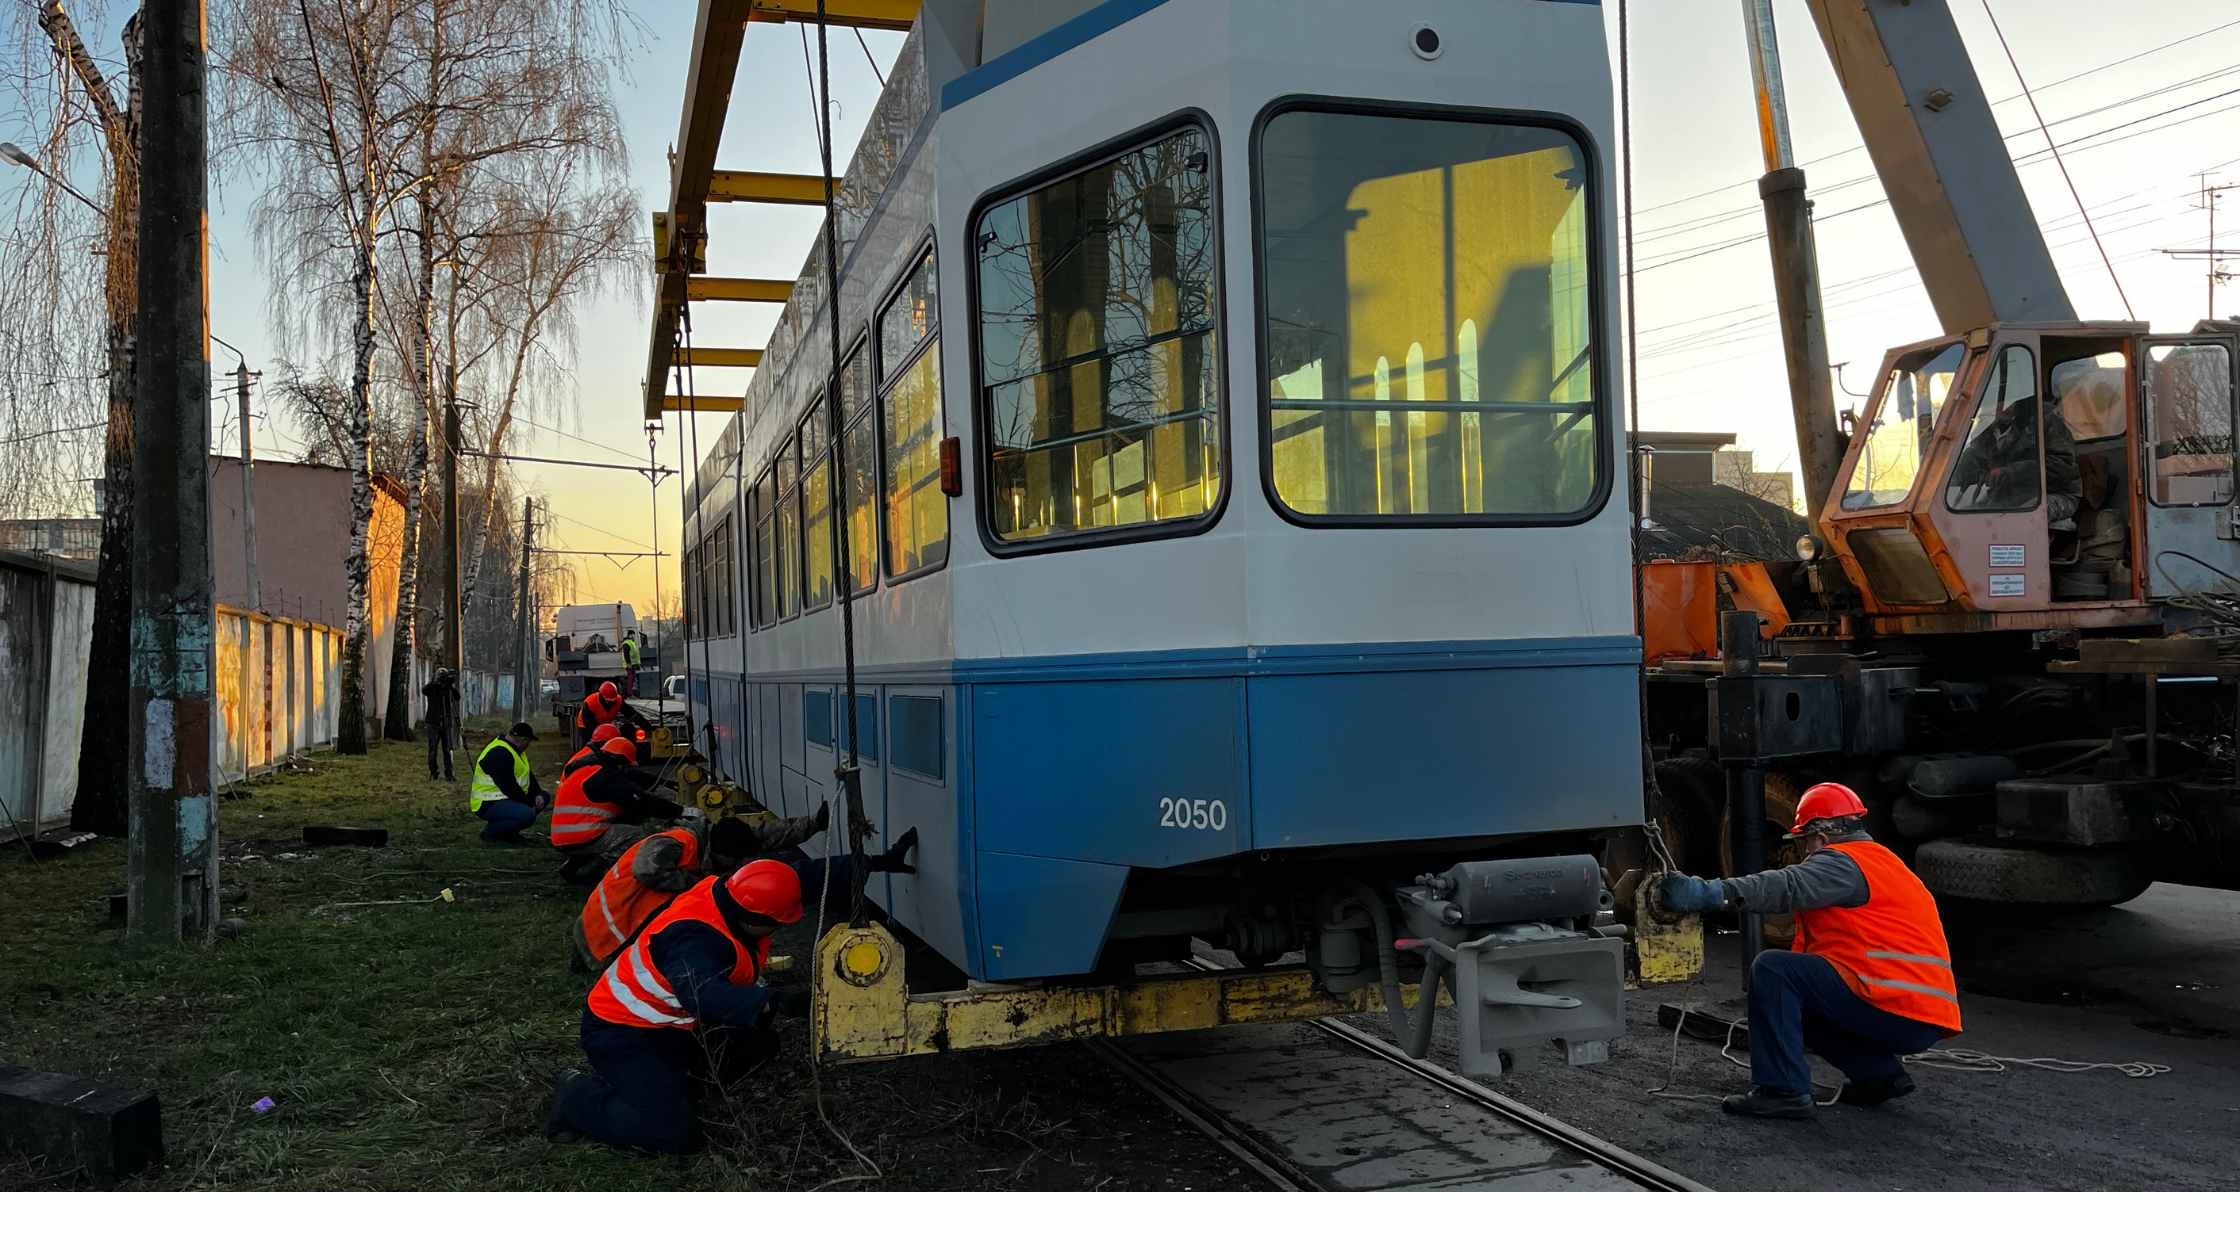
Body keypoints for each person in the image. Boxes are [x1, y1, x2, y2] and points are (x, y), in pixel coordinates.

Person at [546, 842, 919, 1153]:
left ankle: (665, 1086)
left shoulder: (742, 891)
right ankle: (576, 1095)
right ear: (753, 917)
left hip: (670, 1027)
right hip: (622, 1032)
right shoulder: (694, 939)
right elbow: (704, 996)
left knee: (758, 1045)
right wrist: (776, 1001)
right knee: (674, 1134)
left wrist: (877, 861)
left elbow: (804, 877)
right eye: (778, 922)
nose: (782, 925)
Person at [1657, 782, 1961, 1120]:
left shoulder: (1843, 863)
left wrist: (1709, 893)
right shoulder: (1885, 864)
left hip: (1892, 1004)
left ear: (1820, 837)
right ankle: (1879, 1076)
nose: (1803, 853)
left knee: (1772, 968)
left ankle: (1782, 1090)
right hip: (1919, 1014)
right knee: (1803, 1003)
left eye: (1803, 843)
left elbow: (1784, 885)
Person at [570, 802, 832, 971]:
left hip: (611, 923)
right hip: (607, 935)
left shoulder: (721, 840)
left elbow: (764, 836)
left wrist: (813, 823)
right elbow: (645, 869)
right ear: (717, 852)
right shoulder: (678, 843)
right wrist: (698, 884)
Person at [549, 736, 682, 884]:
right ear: (620, 761)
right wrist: (678, 811)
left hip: (562, 836)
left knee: (617, 823)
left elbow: (633, 779)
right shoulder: (606, 777)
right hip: (582, 836)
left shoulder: (590, 768)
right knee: (638, 837)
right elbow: (640, 801)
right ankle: (594, 870)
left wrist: (666, 784)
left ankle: (572, 866)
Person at [1951, 395, 2081, 532]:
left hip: (2055, 493)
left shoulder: (2044, 417)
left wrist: (2012, 472)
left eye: (2007, 398)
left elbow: (2063, 466)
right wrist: (1950, 476)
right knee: (1963, 520)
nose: (2003, 405)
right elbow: (1971, 461)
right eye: (1997, 400)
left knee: (2024, 519)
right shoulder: (1987, 430)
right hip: (2007, 497)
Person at [468, 722, 548, 843]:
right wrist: (530, 802)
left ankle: (508, 831)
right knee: (527, 814)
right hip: (488, 802)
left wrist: (539, 794)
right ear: (523, 740)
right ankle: (491, 832)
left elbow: (528, 778)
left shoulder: (516, 751)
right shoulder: (499, 753)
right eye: (528, 741)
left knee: (545, 797)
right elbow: (509, 787)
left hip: (504, 799)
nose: (529, 745)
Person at [422, 667, 462, 782]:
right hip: (433, 722)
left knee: (448, 749)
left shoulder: (448, 689)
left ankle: (449, 774)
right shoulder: (432, 687)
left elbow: (457, 697)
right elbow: (424, 690)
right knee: (433, 749)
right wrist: (435, 682)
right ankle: (433, 772)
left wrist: (450, 686)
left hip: (446, 723)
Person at [575, 681, 623, 750]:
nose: (610, 704)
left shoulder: (619, 700)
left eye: (612, 701)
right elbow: (588, 723)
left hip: (604, 723)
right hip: (586, 726)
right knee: (589, 745)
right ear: (602, 697)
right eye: (608, 701)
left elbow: (629, 713)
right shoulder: (590, 703)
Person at [621, 631, 641, 698]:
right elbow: (626, 654)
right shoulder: (627, 643)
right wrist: (629, 664)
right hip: (629, 665)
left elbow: (635, 654)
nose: (633, 636)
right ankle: (629, 694)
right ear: (629, 635)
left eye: (633, 635)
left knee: (631, 680)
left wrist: (637, 663)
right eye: (632, 635)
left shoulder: (632, 642)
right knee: (630, 680)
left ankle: (629, 694)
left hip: (633, 664)